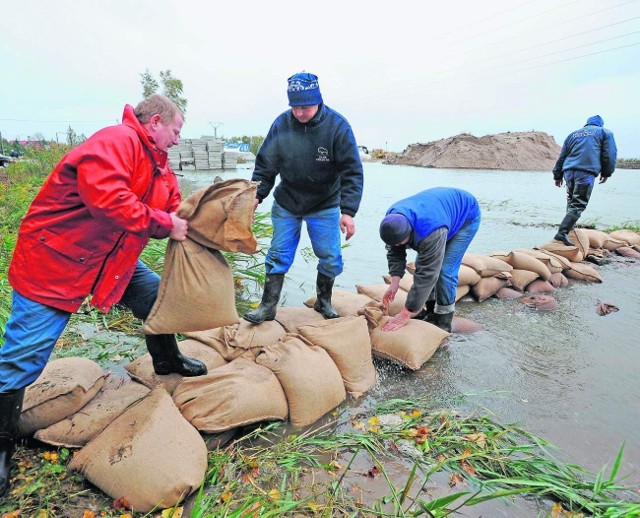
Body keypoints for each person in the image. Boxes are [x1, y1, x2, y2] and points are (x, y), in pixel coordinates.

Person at [0, 94, 207, 497]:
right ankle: (1, 446)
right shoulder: (116, 141)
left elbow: (177, 209)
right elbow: (109, 201)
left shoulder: (160, 168)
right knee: (23, 355)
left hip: (108, 261)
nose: (179, 140)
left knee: (156, 300)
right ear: (156, 121)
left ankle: (168, 359)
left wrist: (210, 220)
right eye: (177, 131)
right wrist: (165, 224)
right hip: (55, 261)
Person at [243, 72, 364, 324]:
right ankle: (268, 306)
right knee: (278, 254)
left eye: (305, 107)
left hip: (325, 203)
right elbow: (266, 165)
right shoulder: (281, 124)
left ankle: (323, 301)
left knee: (330, 256)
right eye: (294, 107)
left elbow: (352, 172)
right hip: (288, 202)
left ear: (318, 100)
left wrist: (348, 211)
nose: (299, 113)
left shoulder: (337, 127)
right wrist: (256, 197)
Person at [379, 187, 481, 333]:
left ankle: (444, 319)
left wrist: (406, 313)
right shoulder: (392, 220)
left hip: (466, 217)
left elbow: (428, 274)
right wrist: (395, 282)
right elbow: (395, 252)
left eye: (401, 243)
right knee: (420, 264)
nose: (398, 246)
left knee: (445, 270)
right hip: (439, 211)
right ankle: (431, 311)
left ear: (410, 232)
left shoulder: (430, 231)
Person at [552, 115, 617, 246]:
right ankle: (562, 233)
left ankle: (569, 231)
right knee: (578, 204)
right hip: (585, 172)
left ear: (587, 124)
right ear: (600, 124)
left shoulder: (573, 135)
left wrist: (557, 175)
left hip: (569, 172)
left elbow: (562, 155)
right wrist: (606, 172)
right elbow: (609, 154)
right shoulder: (604, 132)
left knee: (571, 201)